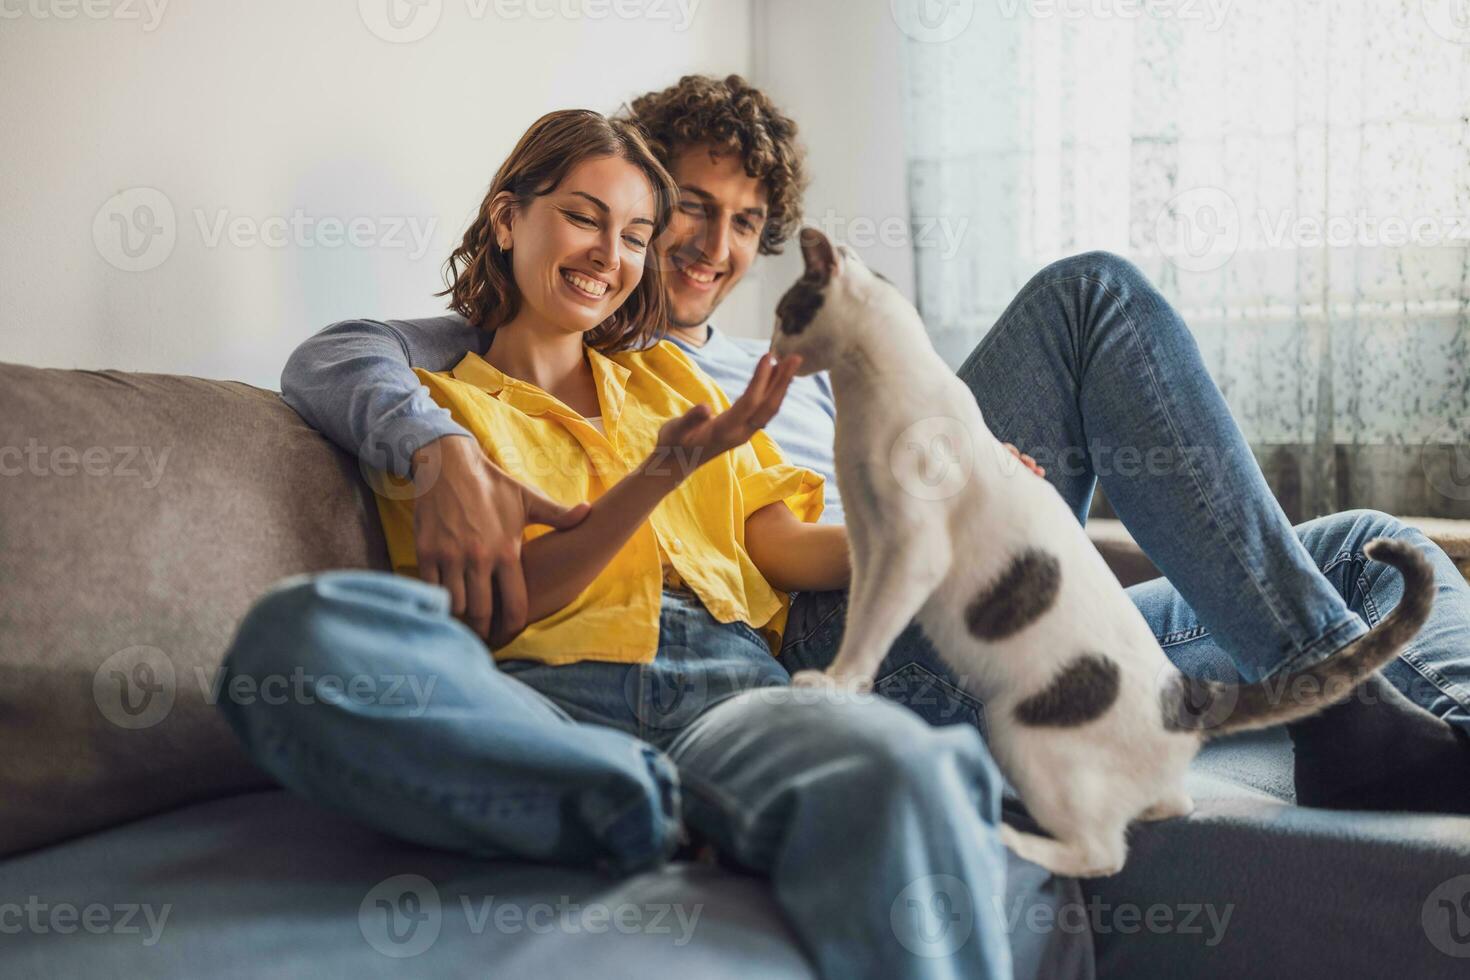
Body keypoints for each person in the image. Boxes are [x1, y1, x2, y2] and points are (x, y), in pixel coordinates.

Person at [279, 74, 1470, 816]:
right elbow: (348, 354)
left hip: (967, 566)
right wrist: (438, 446)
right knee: (1089, 299)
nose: (708, 245)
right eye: (685, 207)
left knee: (1367, 542)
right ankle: (1345, 716)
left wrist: (961, 496)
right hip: (866, 631)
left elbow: (790, 527)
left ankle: (1409, 730)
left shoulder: (747, 366)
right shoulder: (529, 363)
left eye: (744, 223)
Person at [221, 108, 1018, 980]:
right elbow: (503, 608)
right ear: (507, 218)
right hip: (545, 707)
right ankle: (635, 801)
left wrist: (927, 520)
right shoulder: (439, 407)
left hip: (732, 692)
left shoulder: (673, 377)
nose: (611, 255)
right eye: (584, 217)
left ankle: (643, 803)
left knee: (904, 767)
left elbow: (780, 544)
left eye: (636, 234)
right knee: (297, 639)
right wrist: (656, 477)